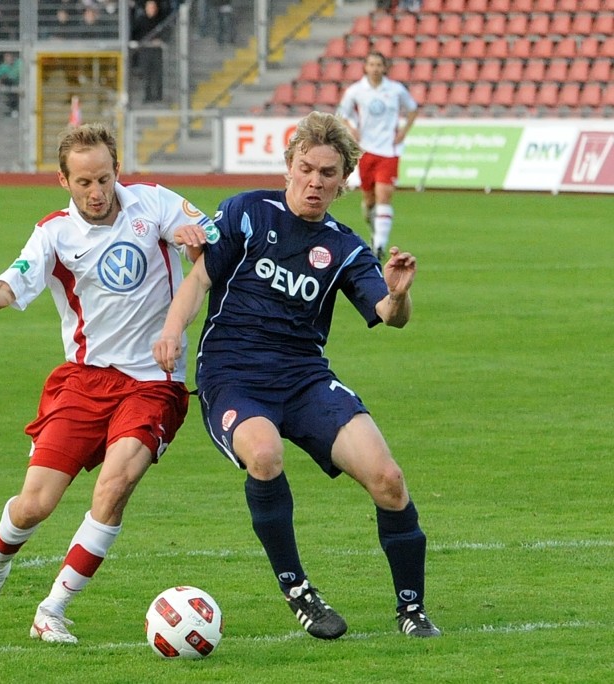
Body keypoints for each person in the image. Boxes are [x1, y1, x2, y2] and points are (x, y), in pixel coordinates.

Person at [0, 123, 212, 644]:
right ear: (63, 181)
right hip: (83, 381)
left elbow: (210, 250)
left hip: (152, 383)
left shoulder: (156, 203)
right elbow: (7, 290)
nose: (96, 192)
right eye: (83, 183)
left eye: (103, 178)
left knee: (115, 484)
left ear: (117, 169)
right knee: (35, 503)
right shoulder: (54, 233)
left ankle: (52, 608)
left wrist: (195, 246)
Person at [153, 111, 441, 640]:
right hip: (232, 374)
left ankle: (412, 609)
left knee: (389, 479)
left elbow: (386, 314)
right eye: (306, 168)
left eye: (328, 174)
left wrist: (399, 294)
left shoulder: (347, 245)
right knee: (263, 455)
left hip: (305, 378)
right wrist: (173, 329)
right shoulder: (246, 212)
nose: (315, 181)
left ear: (343, 182)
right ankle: (299, 592)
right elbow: (199, 278)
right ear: (289, 166)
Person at [337, 50, 418, 262]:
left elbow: (412, 110)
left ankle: (380, 244)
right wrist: (351, 129)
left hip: (389, 151)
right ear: (365, 67)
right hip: (366, 150)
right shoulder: (356, 91)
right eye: (371, 64)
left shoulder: (395, 90)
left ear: (384, 67)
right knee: (369, 201)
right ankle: (375, 233)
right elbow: (343, 113)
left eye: (378, 64)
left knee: (384, 194)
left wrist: (403, 131)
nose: (375, 68)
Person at [0, 52, 21, 116]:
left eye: (9, 57)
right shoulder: (4, 66)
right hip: (13, 85)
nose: (7, 60)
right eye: (6, 58)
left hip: (23, 82)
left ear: (13, 57)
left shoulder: (20, 63)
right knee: (8, 85)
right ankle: (14, 109)